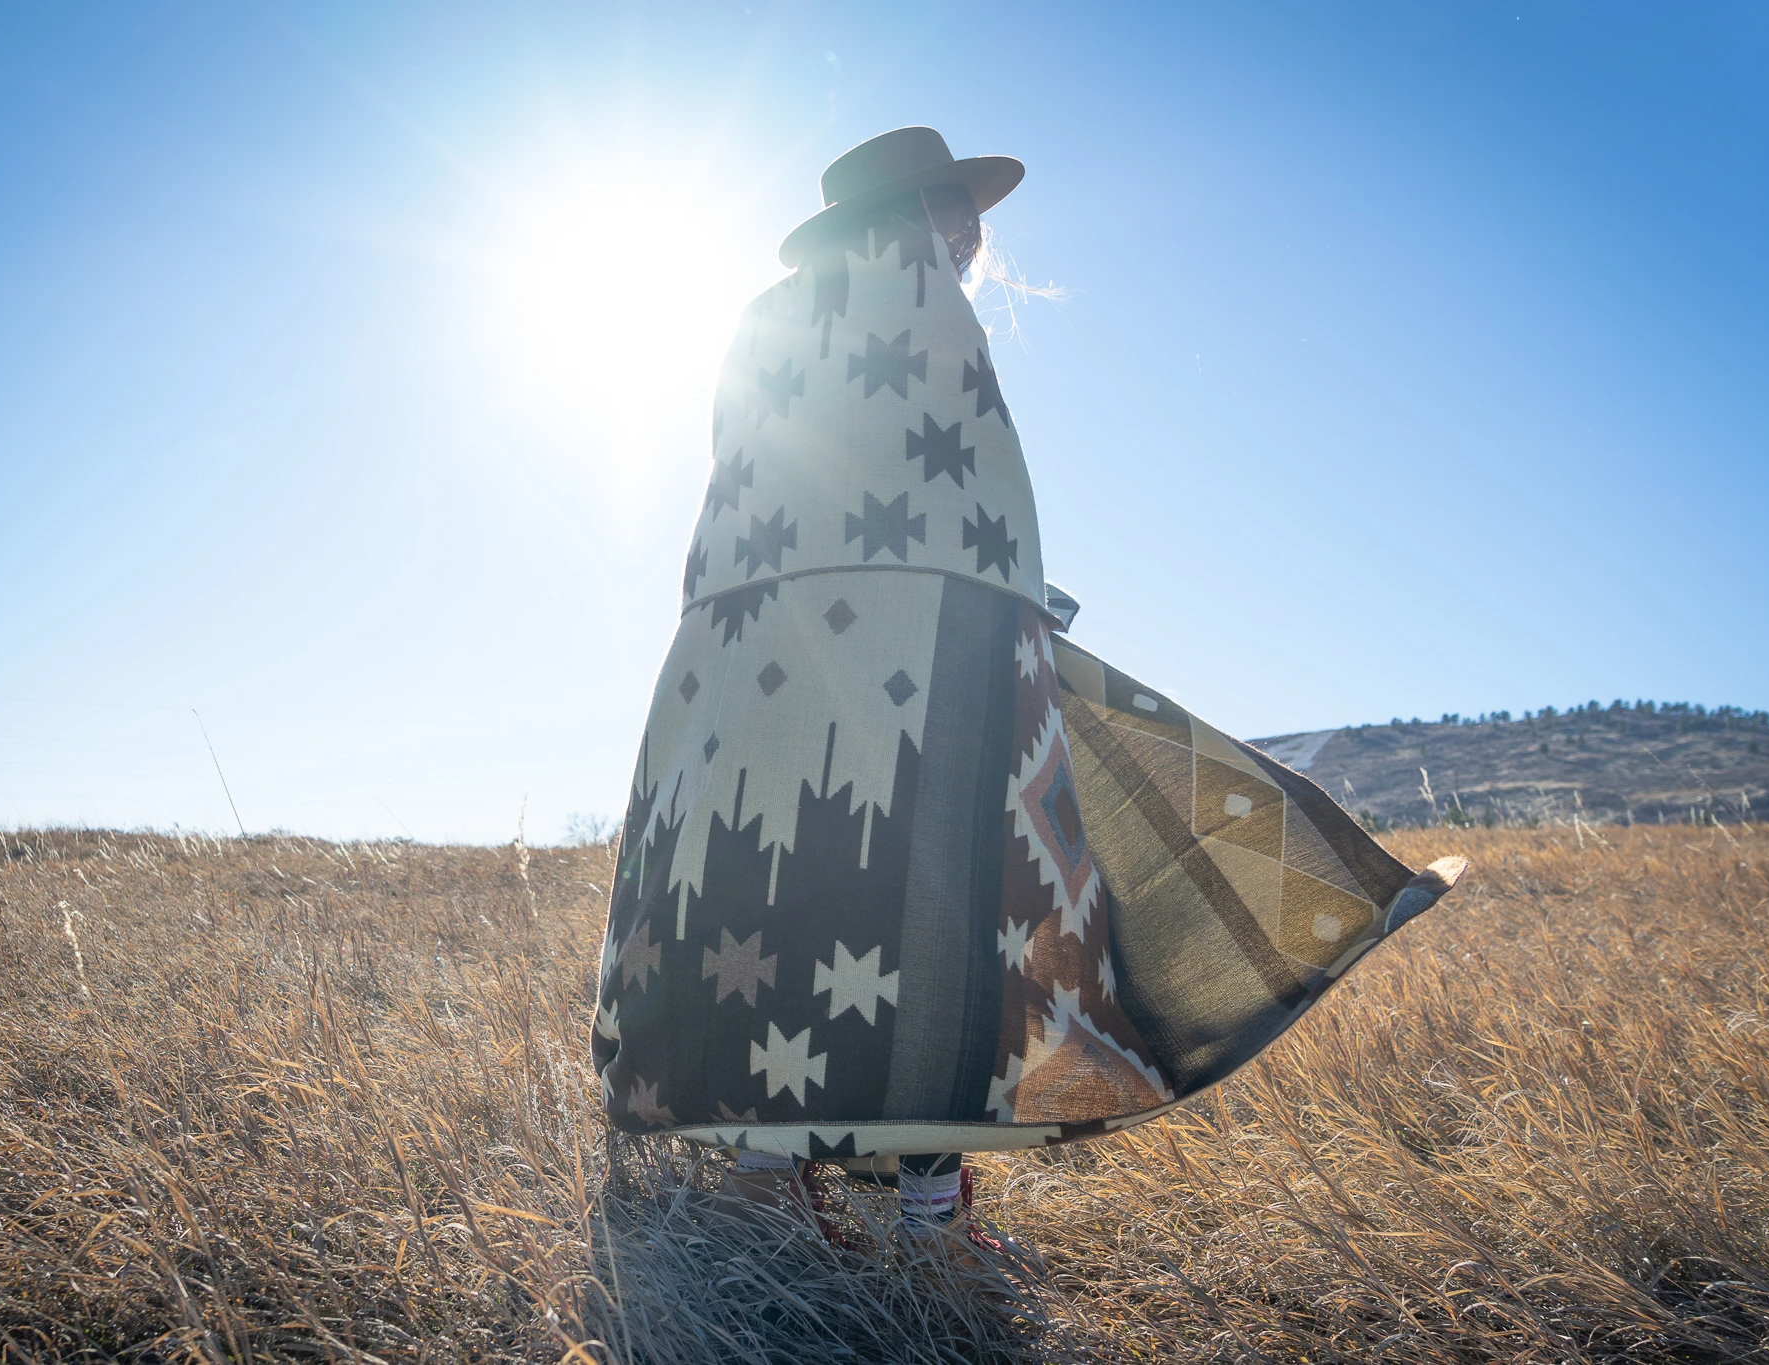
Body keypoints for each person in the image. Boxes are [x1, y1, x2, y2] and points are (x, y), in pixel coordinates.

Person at [591, 126, 1464, 1249]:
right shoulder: (919, 302)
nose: (968, 238)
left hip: (749, 666)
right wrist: (998, 601)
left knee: (776, 896)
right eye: (953, 216)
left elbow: (750, 509)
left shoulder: (760, 329)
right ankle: (923, 1219)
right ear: (913, 218)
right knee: (944, 917)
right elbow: (964, 490)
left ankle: (772, 1192)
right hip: (925, 658)